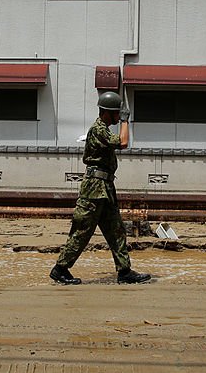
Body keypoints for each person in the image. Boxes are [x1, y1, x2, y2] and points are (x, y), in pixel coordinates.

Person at [49, 91, 150, 285]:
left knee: (116, 230)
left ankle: (124, 271)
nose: (117, 118)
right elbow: (123, 142)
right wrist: (125, 122)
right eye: (116, 114)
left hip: (105, 187)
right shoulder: (98, 129)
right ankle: (60, 269)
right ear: (107, 113)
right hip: (94, 188)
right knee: (83, 230)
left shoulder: (103, 129)